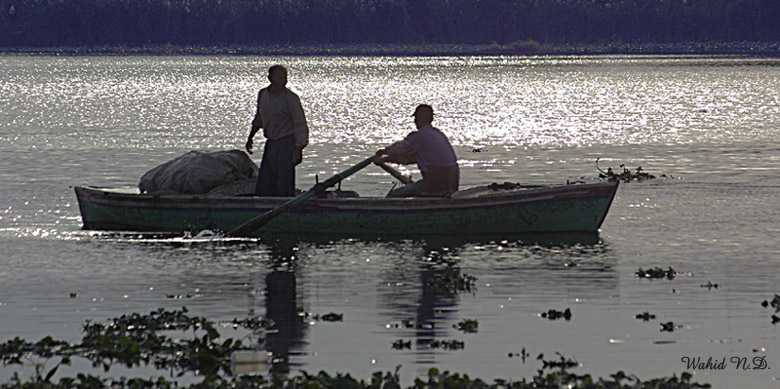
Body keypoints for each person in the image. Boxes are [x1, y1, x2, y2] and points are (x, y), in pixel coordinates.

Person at [246, 65, 309, 197]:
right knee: (266, 181)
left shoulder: (291, 98)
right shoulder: (263, 94)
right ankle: (264, 205)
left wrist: (298, 150)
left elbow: (300, 124)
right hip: (271, 143)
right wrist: (250, 137)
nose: (283, 80)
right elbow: (259, 118)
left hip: (287, 143)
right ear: (270, 78)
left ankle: (285, 207)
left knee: (284, 182)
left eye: (284, 77)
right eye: (279, 77)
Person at [374, 104, 459, 197]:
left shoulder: (419, 136)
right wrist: (386, 160)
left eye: (415, 119)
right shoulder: (438, 134)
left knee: (393, 195)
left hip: (434, 185)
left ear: (417, 119)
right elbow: (411, 158)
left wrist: (383, 151)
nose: (414, 121)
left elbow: (400, 148)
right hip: (450, 185)